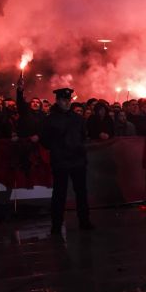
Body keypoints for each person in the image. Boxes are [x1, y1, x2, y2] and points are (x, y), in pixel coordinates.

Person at [40, 87, 94, 234]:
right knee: (59, 193)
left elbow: (83, 136)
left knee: (81, 192)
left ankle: (84, 221)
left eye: (68, 100)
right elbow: (44, 140)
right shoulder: (50, 120)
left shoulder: (78, 119)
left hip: (77, 160)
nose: (67, 103)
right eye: (64, 100)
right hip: (61, 161)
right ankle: (56, 225)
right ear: (57, 101)